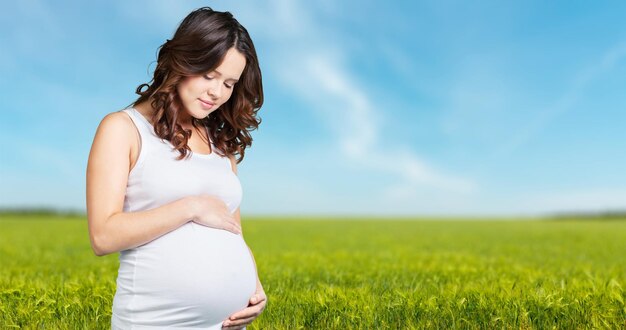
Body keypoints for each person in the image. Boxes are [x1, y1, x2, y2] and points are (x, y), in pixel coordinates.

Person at [86, 7, 266, 329]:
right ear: (183, 61)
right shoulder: (124, 129)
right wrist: (190, 207)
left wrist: (254, 287)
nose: (217, 92)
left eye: (229, 83)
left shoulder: (219, 143)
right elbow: (103, 235)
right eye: (209, 75)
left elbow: (233, 230)